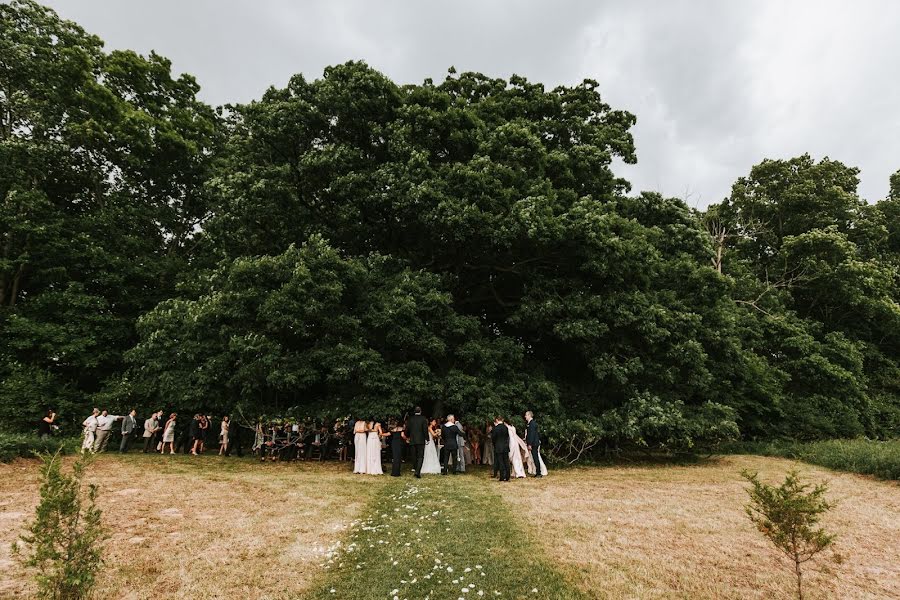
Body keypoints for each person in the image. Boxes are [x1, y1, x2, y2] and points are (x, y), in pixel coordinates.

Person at [404, 407, 429, 478]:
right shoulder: (423, 419)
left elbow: (407, 429)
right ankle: (417, 471)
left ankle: (415, 468)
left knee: (414, 455)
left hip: (412, 439)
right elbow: (425, 429)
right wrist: (427, 438)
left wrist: (407, 436)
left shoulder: (410, 419)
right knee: (420, 456)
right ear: (420, 411)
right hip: (421, 440)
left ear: (414, 411)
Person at [491, 417, 510, 482]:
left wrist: (495, 444)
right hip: (505, 446)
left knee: (501, 462)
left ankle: (502, 477)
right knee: (506, 461)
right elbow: (507, 437)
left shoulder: (496, 428)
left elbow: (493, 438)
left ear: (497, 420)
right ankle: (507, 476)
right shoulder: (506, 428)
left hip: (498, 447)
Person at [524, 411, 543, 477]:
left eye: (526, 415)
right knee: (535, 457)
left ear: (529, 415)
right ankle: (538, 472)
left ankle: (538, 472)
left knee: (535, 458)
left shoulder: (532, 424)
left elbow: (531, 435)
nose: (525, 417)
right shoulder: (531, 423)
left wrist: (530, 444)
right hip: (534, 443)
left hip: (533, 443)